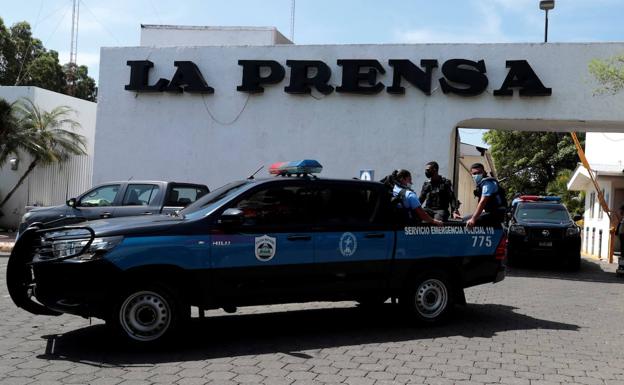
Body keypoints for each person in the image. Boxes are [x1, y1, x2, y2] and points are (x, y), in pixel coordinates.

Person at [466, 163, 507, 228]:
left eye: (479, 173)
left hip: (498, 214)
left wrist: (473, 219)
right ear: (471, 174)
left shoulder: (487, 183)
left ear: (484, 172)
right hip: (492, 213)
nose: (477, 175)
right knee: (465, 218)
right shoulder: (481, 184)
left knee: (467, 221)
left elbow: (483, 202)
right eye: (474, 174)